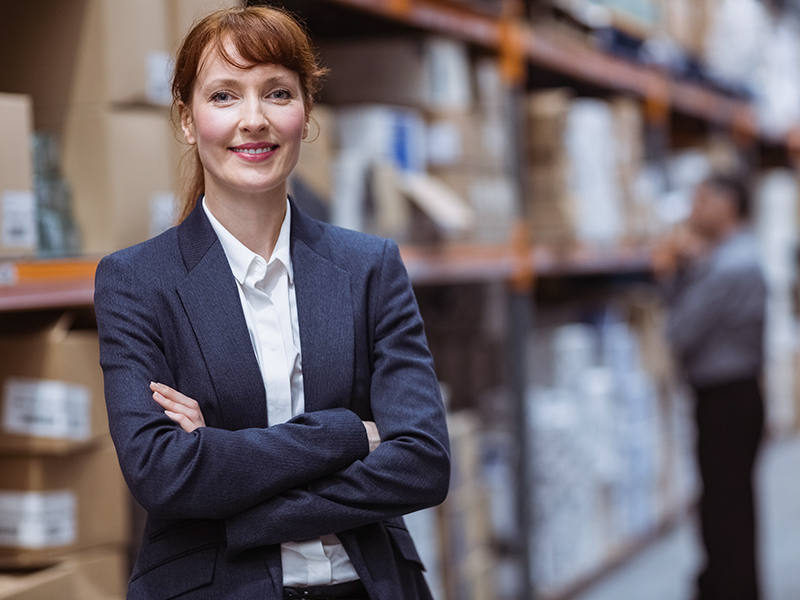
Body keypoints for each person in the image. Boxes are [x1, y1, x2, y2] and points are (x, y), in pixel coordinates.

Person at [93, 6, 450, 599]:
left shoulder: (370, 268)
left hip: (364, 585)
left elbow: (423, 462)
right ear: (187, 118)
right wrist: (346, 435)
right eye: (225, 96)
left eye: (277, 93)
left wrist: (245, 502)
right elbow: (163, 475)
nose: (253, 120)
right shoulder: (137, 282)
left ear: (305, 112)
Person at [654, 174, 766, 600]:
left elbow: (679, 331)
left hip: (727, 400)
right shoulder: (731, 259)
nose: (692, 210)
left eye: (700, 200)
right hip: (732, 396)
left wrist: (672, 273)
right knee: (729, 502)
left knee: (726, 507)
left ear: (726, 205)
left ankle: (730, 589)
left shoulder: (729, 267)